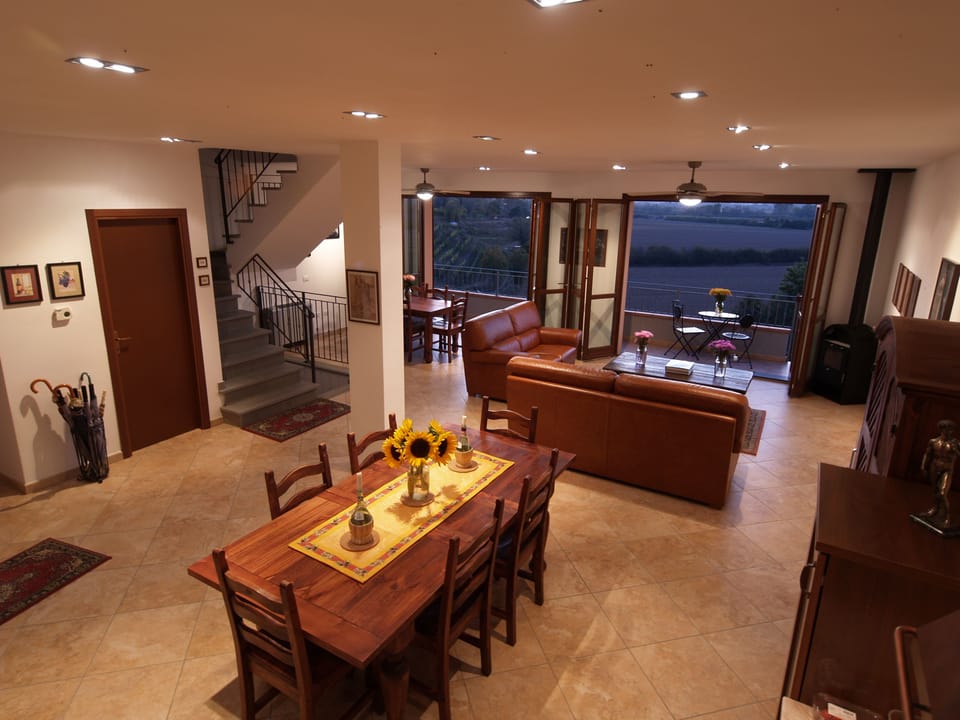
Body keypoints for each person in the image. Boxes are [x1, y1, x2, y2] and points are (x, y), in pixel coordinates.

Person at [918, 419, 960, 528]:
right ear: (941, 429)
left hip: (947, 469)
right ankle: (934, 509)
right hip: (934, 467)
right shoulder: (933, 441)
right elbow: (927, 454)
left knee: (942, 493)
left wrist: (955, 450)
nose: (948, 431)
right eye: (945, 428)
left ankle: (947, 517)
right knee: (935, 491)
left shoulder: (955, 443)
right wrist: (923, 466)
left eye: (950, 429)